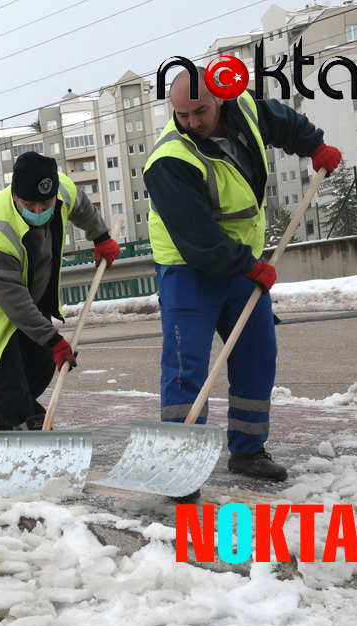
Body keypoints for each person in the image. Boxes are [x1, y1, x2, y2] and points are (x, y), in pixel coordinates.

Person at [143, 68, 342, 482]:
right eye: (182, 115)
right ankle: (178, 468)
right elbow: (199, 239)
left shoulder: (243, 106)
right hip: (188, 266)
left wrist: (314, 145)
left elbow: (280, 121)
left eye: (200, 111)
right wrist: (251, 266)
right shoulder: (168, 160)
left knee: (256, 354)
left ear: (218, 98)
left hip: (241, 261)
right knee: (187, 367)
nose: (193, 122)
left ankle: (248, 453)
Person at [0, 152, 121, 431]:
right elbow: (14, 301)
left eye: (45, 204)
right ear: (15, 196)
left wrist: (100, 236)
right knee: (8, 369)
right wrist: (54, 339)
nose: (39, 211)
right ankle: (21, 425)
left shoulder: (61, 188)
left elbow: (82, 206)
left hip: (20, 287)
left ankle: (8, 414)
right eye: (29, 205)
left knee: (42, 362)